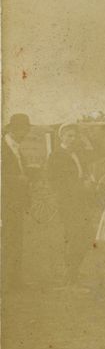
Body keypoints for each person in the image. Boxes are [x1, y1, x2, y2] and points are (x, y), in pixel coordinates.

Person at [48, 123, 98, 288]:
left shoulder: (79, 153)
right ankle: (70, 275)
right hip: (68, 203)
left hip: (81, 202)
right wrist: (80, 186)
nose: (72, 139)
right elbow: (56, 181)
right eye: (69, 135)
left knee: (87, 236)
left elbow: (101, 152)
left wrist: (86, 137)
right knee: (74, 236)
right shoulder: (56, 155)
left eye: (75, 135)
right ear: (61, 136)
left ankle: (73, 271)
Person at [2, 113, 32, 288]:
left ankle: (14, 280)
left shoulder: (16, 147)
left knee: (15, 239)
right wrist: (16, 179)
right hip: (4, 201)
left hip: (16, 201)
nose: (25, 133)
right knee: (8, 240)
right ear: (13, 129)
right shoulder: (3, 147)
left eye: (26, 129)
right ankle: (8, 281)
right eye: (22, 129)